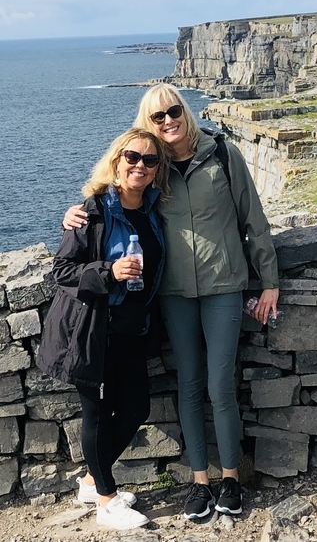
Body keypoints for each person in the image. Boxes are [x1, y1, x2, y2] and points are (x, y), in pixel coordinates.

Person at [63, 83, 280, 521]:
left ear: (186, 110)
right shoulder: (153, 167)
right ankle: (200, 482)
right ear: (149, 125)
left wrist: (269, 281)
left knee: (221, 386)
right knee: (189, 385)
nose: (167, 120)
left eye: (173, 110)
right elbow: (117, 194)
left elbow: (252, 218)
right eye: (157, 117)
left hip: (224, 286)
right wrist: (76, 213)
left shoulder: (222, 154)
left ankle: (231, 479)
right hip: (174, 293)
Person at [38, 128, 168, 531]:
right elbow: (62, 272)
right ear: (117, 160)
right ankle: (107, 501)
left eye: (149, 161)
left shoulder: (152, 208)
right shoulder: (91, 212)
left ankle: (93, 481)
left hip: (131, 327)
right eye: (132, 157)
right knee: (96, 412)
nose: (140, 166)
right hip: (92, 329)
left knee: (135, 408)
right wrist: (107, 271)